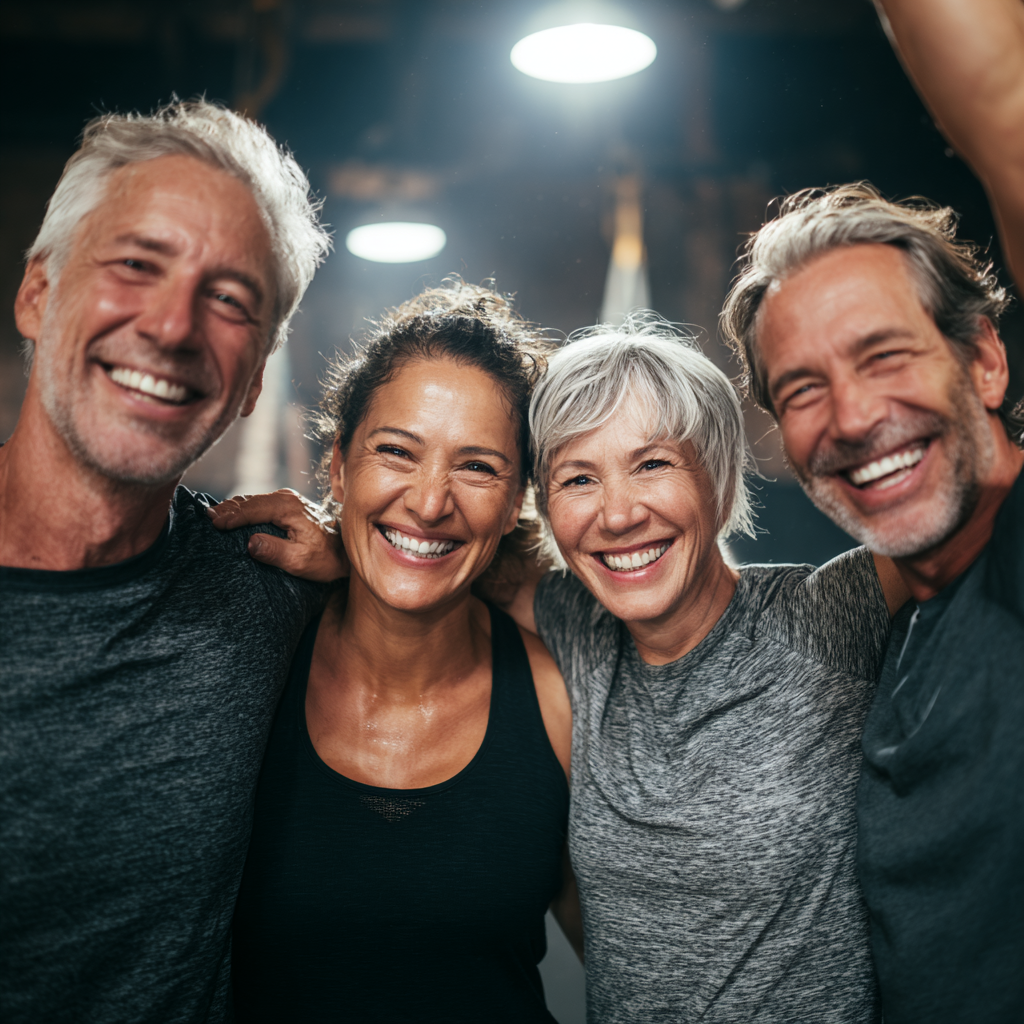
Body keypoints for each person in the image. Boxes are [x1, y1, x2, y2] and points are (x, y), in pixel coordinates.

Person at [221, 316, 908, 1022]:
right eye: (580, 477)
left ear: (723, 478)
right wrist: (353, 549)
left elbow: (974, 505)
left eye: (653, 463)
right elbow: (444, 545)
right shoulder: (572, 627)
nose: (617, 513)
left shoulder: (825, 617)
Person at [0, 99, 330, 1024]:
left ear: (255, 379)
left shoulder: (264, 593)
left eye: (230, 301)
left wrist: (372, 561)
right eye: (137, 264)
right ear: (38, 294)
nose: (175, 327)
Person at [719, 5, 1024, 1002]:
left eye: (884, 354)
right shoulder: (890, 625)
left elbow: (1006, 107)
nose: (850, 417)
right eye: (801, 389)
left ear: (983, 359)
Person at [226, 282, 580, 1023]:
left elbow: (646, 969)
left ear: (519, 498)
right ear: (337, 467)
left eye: (478, 466)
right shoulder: (248, 664)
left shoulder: (558, 704)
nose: (428, 502)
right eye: (396, 452)